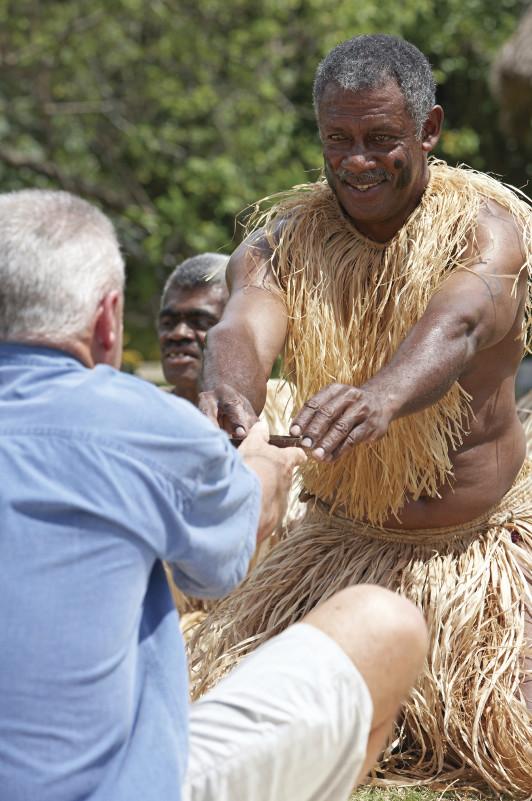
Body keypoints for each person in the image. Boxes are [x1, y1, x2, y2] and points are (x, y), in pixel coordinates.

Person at [0, 188, 428, 801]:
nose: (179, 335)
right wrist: (261, 463)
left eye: (199, 323)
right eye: (168, 319)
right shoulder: (145, 422)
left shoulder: (222, 413)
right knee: (383, 622)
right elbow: (220, 565)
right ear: (108, 319)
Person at [190, 34, 532, 796]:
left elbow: (463, 323)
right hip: (336, 554)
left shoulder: (486, 231)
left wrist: (382, 395)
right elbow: (244, 322)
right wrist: (234, 389)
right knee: (216, 726)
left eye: (381, 139)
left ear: (430, 130)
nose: (357, 161)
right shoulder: (281, 245)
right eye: (337, 140)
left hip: (477, 560)